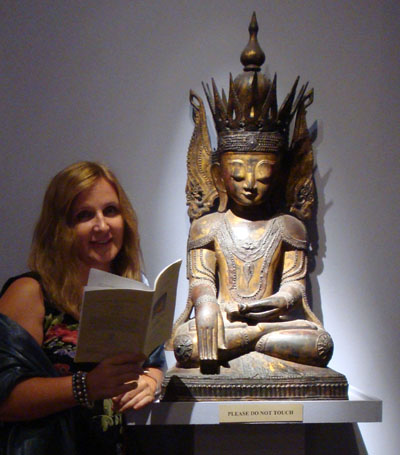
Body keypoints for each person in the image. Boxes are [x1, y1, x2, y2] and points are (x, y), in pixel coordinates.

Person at [170, 14, 334, 376]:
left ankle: (250, 343)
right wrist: (209, 305)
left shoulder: (289, 226)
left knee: (319, 343)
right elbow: (201, 281)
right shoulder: (207, 227)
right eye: (238, 174)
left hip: (272, 325)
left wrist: (276, 303)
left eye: (263, 174)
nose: (249, 184)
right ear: (218, 175)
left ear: (280, 175)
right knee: (186, 343)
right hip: (221, 323)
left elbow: (293, 285)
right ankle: (249, 344)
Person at [0, 161, 165, 454]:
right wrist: (85, 386)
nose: (102, 225)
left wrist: (150, 382)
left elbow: (152, 362)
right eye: (84, 215)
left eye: (110, 211)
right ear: (60, 228)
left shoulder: (133, 289)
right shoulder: (30, 292)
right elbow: (5, 399)